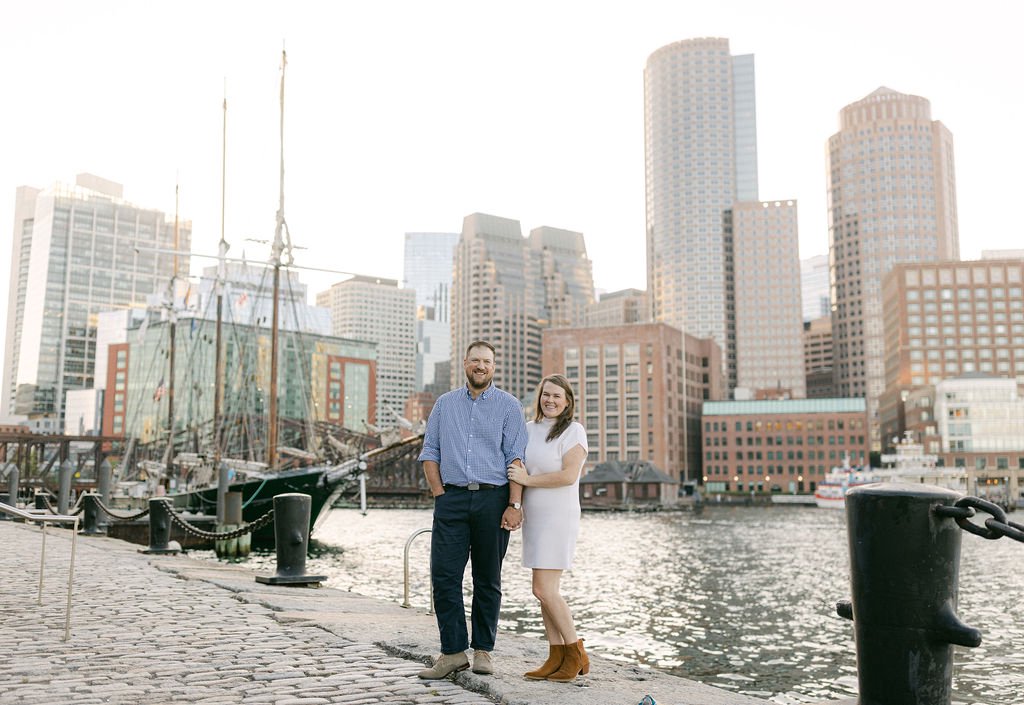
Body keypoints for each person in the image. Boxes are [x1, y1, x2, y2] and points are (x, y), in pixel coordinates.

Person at [416, 340, 528, 679]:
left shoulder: (509, 406)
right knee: (444, 577)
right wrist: (439, 493)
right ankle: (452, 652)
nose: (481, 366)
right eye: (476, 360)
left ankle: (483, 651)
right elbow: (429, 451)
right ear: (465, 363)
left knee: (487, 579)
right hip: (451, 498)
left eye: (488, 362)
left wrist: (514, 504)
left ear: (494, 367)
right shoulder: (444, 404)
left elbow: (516, 459)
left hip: (493, 501)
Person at [507, 373, 590, 682]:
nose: (550, 400)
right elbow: (516, 466)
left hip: (559, 516)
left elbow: (568, 476)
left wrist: (527, 480)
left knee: (543, 589)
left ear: (567, 401)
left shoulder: (573, 431)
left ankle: (575, 652)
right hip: (535, 517)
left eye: (557, 396)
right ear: (539, 398)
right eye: (546, 395)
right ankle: (556, 656)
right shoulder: (528, 430)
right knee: (544, 592)